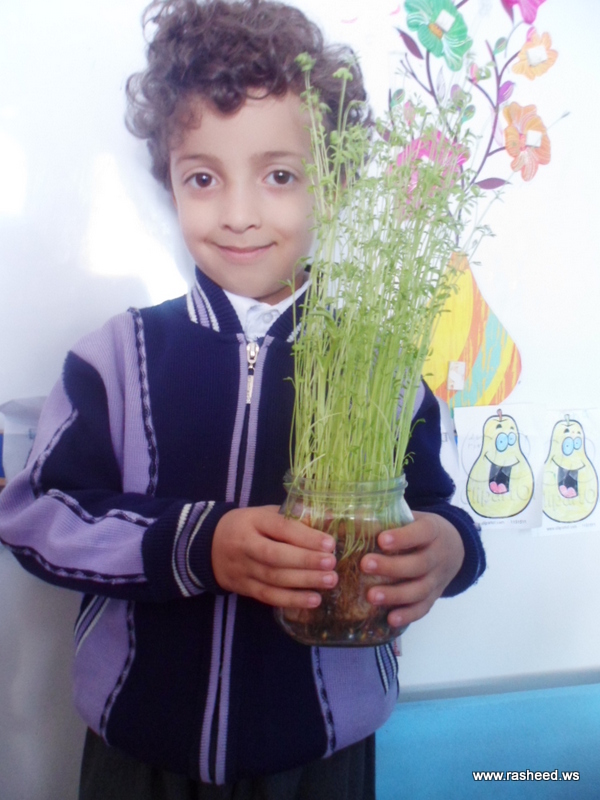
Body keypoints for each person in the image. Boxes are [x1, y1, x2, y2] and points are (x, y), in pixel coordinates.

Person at [0, 1, 486, 798]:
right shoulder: (115, 357)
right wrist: (200, 544)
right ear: (169, 184)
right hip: (139, 750)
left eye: (280, 176)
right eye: (202, 177)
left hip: (322, 753)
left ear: (333, 186)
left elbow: (434, 507)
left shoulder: (378, 368)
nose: (237, 214)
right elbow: (37, 519)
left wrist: (450, 550)